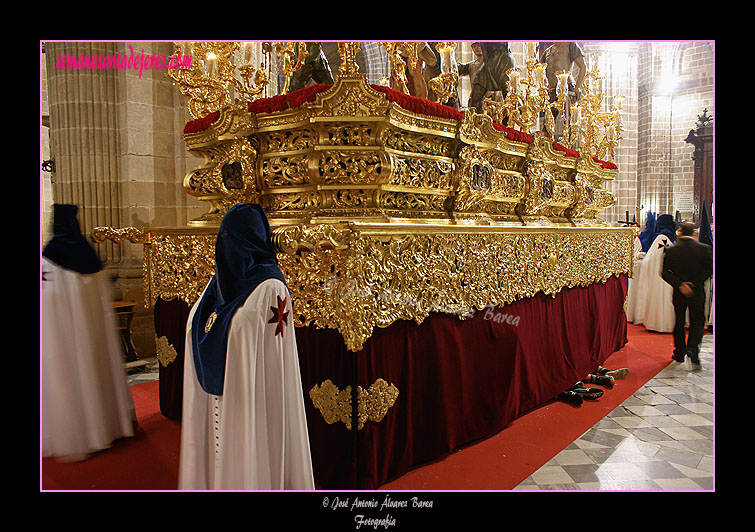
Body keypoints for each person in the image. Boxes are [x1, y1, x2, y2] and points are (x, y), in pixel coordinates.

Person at [178, 203, 314, 490]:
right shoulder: (220, 282)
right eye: (222, 235)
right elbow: (197, 321)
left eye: (233, 236)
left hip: (254, 399)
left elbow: (267, 358)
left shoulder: (270, 288)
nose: (224, 243)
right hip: (228, 393)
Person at [42, 204, 136, 461]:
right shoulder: (87, 256)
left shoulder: (50, 255)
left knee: (70, 381)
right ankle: (103, 427)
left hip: (60, 335)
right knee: (93, 376)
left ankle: (80, 431)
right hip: (93, 335)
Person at [661, 221, 713, 365]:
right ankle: (693, 348)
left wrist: (680, 284)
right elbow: (709, 269)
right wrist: (695, 283)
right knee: (697, 321)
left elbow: (665, 273)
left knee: (679, 321)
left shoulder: (672, 250)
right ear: (694, 233)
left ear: (680, 232)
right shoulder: (704, 249)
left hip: (679, 292)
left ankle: (679, 352)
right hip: (697, 291)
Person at [635, 214, 676, 333]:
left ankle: (657, 323)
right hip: (670, 277)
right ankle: (667, 323)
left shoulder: (660, 238)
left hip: (658, 276)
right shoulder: (670, 238)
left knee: (658, 298)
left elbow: (649, 260)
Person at [467, 42, 516, 113]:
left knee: (509, 96)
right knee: (476, 94)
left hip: (503, 59)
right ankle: (477, 120)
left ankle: (509, 121)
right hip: (489, 62)